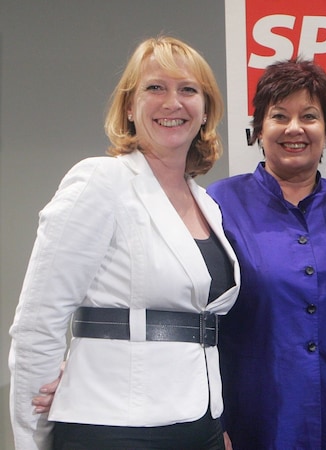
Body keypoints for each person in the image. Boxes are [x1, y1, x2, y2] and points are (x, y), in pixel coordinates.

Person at [9, 36, 240, 450]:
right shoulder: (100, 181)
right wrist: (33, 440)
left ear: (206, 111)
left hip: (198, 425)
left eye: (188, 90)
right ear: (130, 107)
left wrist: (214, 424)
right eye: (155, 88)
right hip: (114, 428)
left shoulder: (208, 204)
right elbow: (37, 322)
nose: (173, 102)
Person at [206, 59, 326, 449]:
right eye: (279, 115)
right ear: (259, 129)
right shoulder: (218, 204)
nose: (294, 128)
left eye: (309, 116)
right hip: (253, 418)